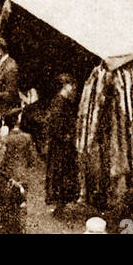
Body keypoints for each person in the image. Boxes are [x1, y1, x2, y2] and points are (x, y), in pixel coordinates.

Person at [43, 75, 80, 215]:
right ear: (66, 85)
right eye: (72, 86)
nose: (74, 89)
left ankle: (61, 203)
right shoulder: (60, 102)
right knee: (60, 173)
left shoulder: (62, 102)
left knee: (61, 173)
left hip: (61, 145)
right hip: (61, 146)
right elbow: (55, 124)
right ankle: (59, 203)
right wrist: (66, 136)